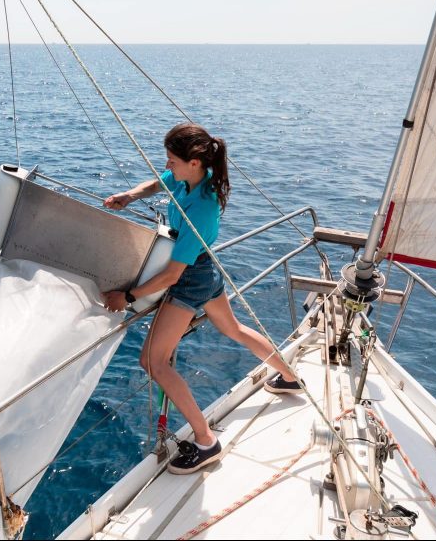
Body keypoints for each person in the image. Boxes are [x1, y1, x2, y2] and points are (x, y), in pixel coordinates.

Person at [102, 122, 304, 475]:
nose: (168, 166)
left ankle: (206, 441)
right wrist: (129, 196)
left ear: (194, 162)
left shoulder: (204, 206)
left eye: (173, 160)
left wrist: (128, 295)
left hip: (190, 279)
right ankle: (289, 377)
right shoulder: (189, 178)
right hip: (205, 271)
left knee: (153, 362)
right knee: (235, 329)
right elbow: (159, 182)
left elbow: (172, 276)